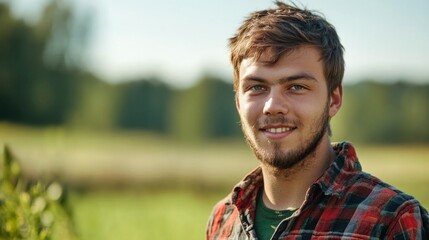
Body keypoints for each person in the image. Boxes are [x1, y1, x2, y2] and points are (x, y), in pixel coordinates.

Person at [206, 1, 429, 239]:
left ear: (333, 100)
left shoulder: (391, 219)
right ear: (239, 102)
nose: (272, 106)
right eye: (257, 87)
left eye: (296, 86)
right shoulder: (222, 218)